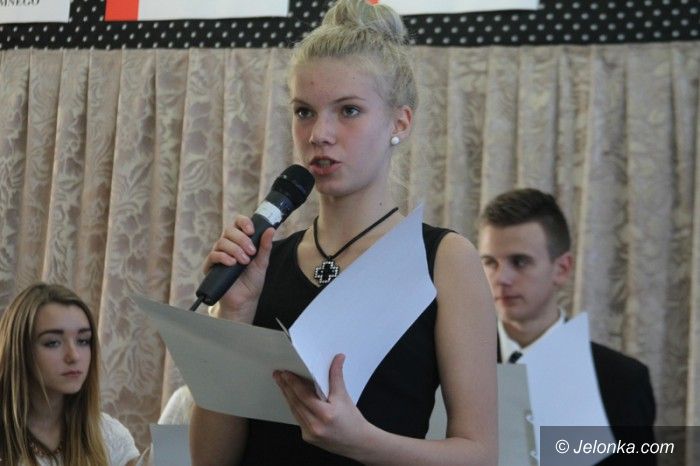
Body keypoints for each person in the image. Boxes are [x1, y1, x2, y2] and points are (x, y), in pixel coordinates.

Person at [189, 0, 498, 464]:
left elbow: (481, 455)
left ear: (400, 122)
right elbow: (210, 459)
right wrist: (232, 315)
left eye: (348, 110)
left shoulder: (444, 259)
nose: (320, 134)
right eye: (304, 112)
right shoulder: (261, 262)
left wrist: (361, 442)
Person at [478, 188, 656, 465]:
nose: (501, 278)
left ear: (562, 269)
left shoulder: (622, 382)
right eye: (490, 262)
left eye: (519, 261)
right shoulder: (451, 368)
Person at [0, 282, 140, 466]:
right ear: (19, 351)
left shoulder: (109, 437)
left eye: (83, 341)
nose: (74, 356)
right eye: (53, 343)